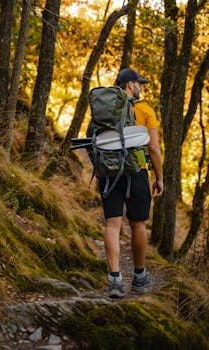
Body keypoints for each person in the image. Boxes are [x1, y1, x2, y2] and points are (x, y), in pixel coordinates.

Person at [98, 68, 164, 298]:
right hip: (136, 173)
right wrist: (159, 177)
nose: (141, 87)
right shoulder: (145, 110)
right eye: (139, 83)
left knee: (112, 224)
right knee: (138, 225)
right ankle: (139, 276)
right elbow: (153, 148)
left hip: (108, 171)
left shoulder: (104, 109)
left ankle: (114, 280)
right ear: (129, 85)